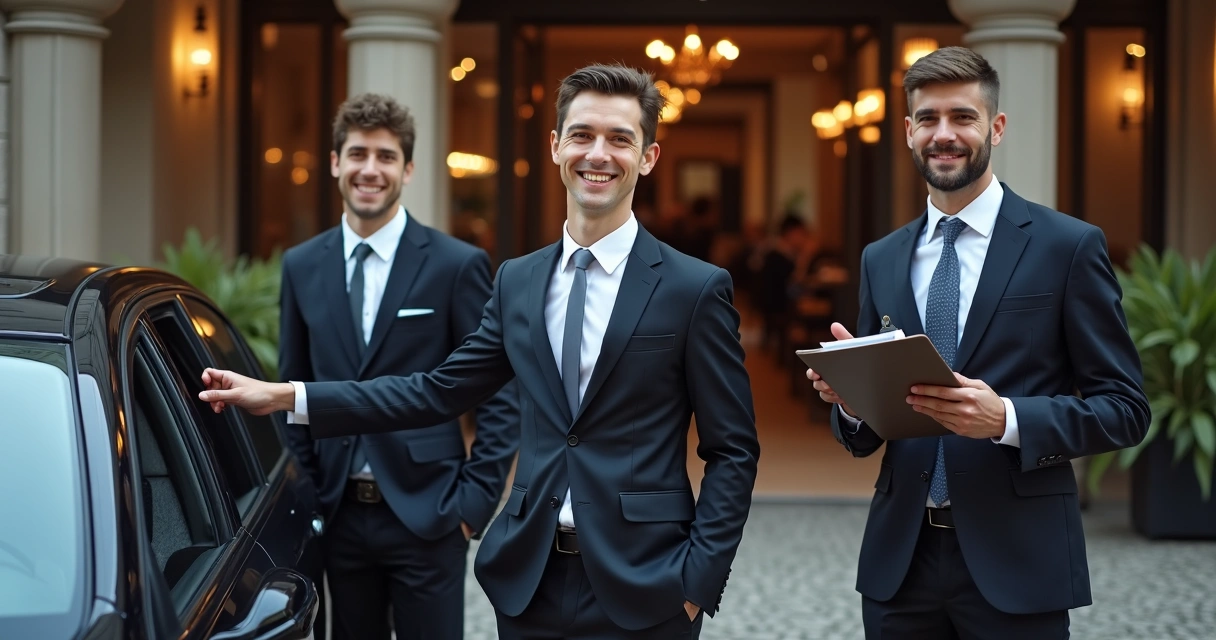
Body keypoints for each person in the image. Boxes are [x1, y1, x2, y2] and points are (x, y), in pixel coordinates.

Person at [199, 64, 760, 640]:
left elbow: (733, 449)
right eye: (582, 135)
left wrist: (697, 581)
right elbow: (437, 391)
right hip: (529, 584)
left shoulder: (694, 288)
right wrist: (288, 395)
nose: (599, 154)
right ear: (555, 146)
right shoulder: (517, 280)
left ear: (648, 157)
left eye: (620, 139)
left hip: (649, 586)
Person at [806, 46, 1149, 639]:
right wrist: (854, 406)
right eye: (929, 119)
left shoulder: (1067, 247)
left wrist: (1007, 419)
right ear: (908, 131)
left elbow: (1125, 410)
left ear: (996, 127)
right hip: (900, 566)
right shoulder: (881, 257)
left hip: (1020, 561)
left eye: (963, 117)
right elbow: (866, 433)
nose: (945, 134)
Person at [279, 92, 519, 640]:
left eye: (386, 156)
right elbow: (293, 387)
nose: (370, 169)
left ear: (407, 169)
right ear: (336, 162)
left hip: (430, 514)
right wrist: (312, 495)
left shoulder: (457, 265)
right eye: (358, 153)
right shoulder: (300, 265)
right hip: (338, 513)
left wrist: (471, 506)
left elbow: (499, 395)